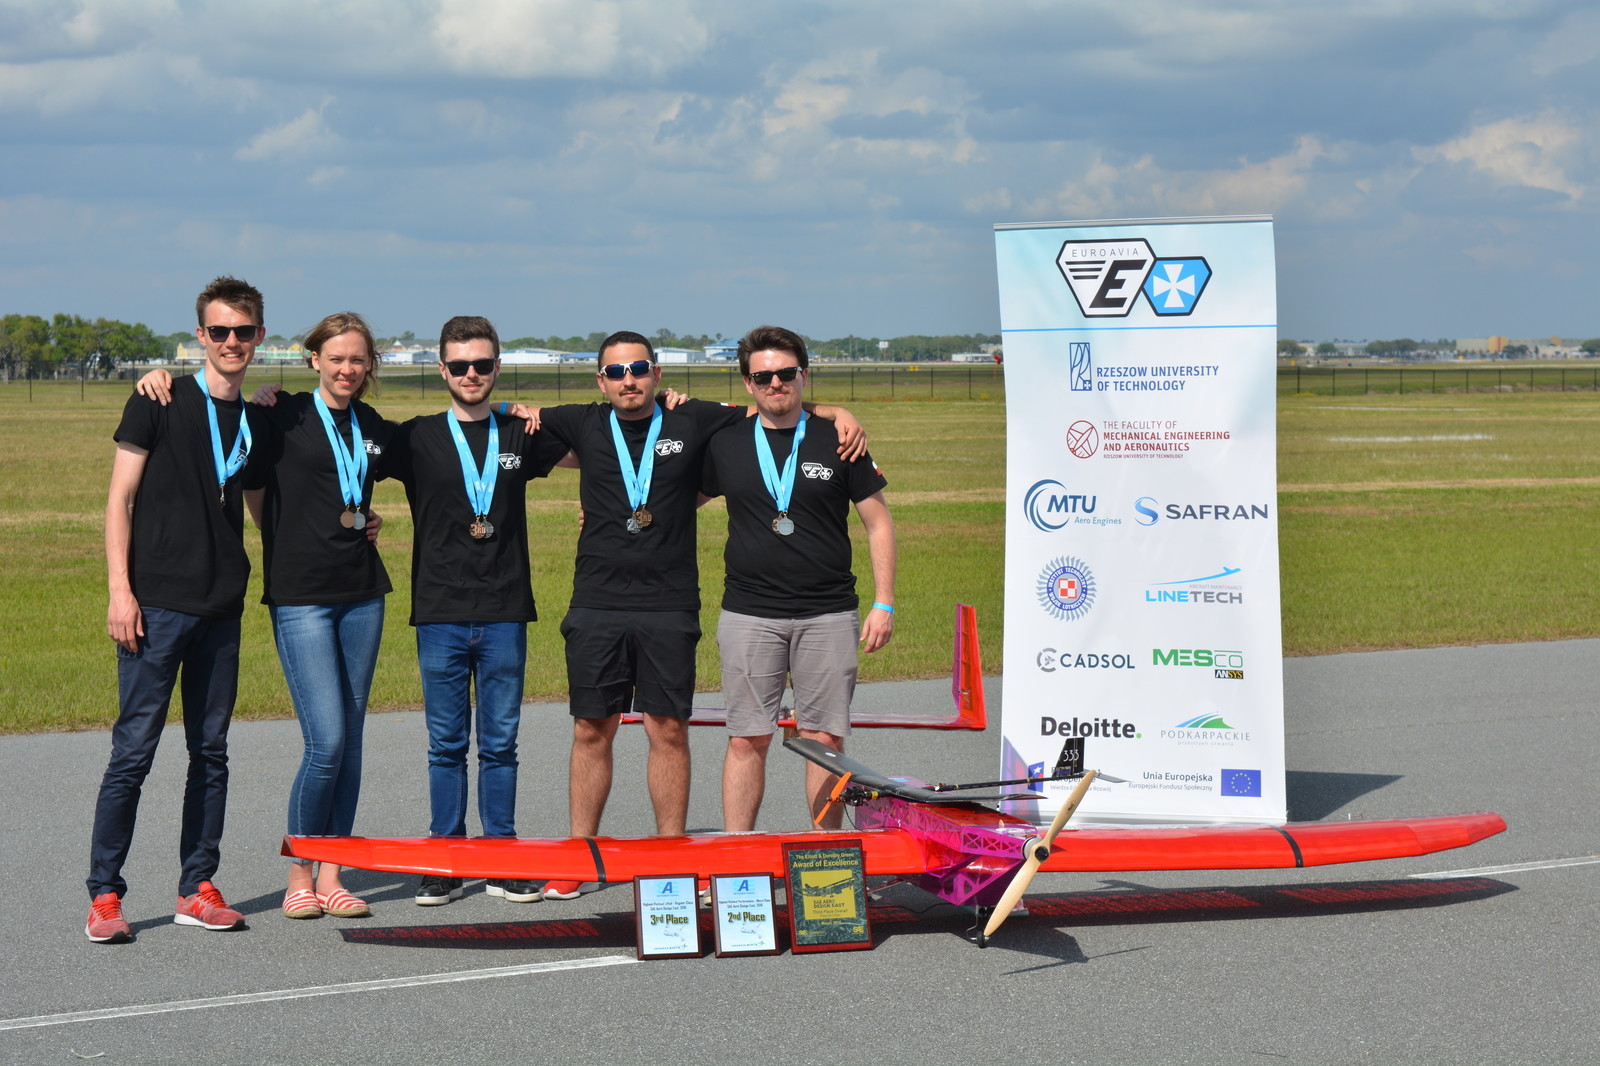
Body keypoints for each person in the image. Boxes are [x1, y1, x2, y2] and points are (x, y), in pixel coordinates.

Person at [533, 332, 865, 899]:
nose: (629, 379)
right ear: (600, 380)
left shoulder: (696, 418)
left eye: (639, 368)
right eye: (617, 371)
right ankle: (579, 858)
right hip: (596, 601)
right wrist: (512, 407)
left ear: (657, 373)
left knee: (668, 729)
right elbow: (494, 418)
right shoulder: (580, 422)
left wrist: (836, 411)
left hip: (669, 602)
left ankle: (671, 858)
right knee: (591, 728)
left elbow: (774, 402)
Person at [137, 313, 394, 921]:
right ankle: (300, 872)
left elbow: (443, 447)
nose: (347, 369)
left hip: (363, 594)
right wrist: (159, 376)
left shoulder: (373, 426)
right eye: (336, 358)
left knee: (352, 741)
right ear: (314, 359)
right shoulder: (279, 414)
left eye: (358, 359)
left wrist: (509, 406)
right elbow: (236, 452)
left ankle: (333, 874)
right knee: (326, 741)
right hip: (301, 598)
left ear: (369, 365)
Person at [87, 276, 268, 942]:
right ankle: (105, 895)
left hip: (221, 605)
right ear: (200, 335)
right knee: (133, 753)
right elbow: (120, 499)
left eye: (242, 331)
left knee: (210, 752)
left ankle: (197, 887)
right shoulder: (157, 398)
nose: (230, 341)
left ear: (259, 337)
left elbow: (263, 508)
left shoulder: (257, 420)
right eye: (219, 331)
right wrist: (120, 590)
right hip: (156, 605)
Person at [386, 316, 571, 906]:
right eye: (461, 365)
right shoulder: (415, 436)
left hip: (504, 610)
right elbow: (339, 444)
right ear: (442, 369)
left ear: (497, 368)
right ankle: (445, 859)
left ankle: (502, 857)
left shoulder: (520, 432)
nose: (472, 374)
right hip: (439, 610)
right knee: (445, 743)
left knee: (499, 743)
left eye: (483, 365)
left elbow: (601, 440)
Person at [701, 325, 896, 831]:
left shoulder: (840, 439)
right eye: (763, 376)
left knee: (824, 739)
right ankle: (738, 853)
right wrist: (607, 513)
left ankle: (825, 856)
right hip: (749, 613)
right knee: (746, 738)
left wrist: (885, 603)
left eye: (786, 373)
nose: (776, 383)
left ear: (804, 375)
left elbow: (878, 523)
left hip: (827, 613)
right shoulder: (725, 441)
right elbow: (678, 500)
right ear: (747, 383)